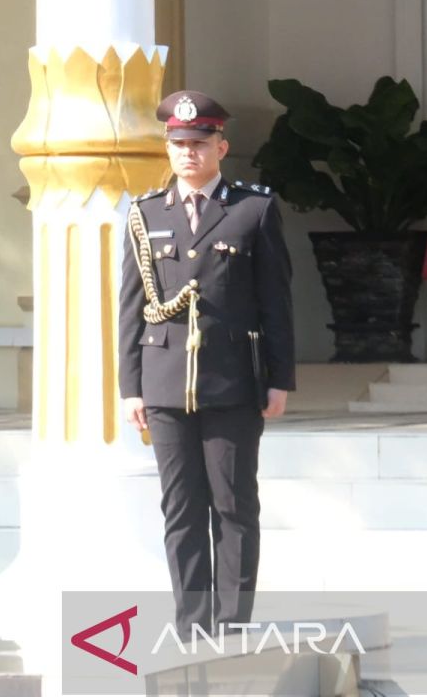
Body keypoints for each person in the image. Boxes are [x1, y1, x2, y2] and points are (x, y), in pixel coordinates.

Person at [118, 90, 295, 632]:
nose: (188, 154)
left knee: (234, 503)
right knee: (180, 507)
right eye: (178, 144)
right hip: (166, 382)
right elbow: (131, 306)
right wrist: (131, 386)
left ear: (222, 145)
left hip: (232, 380)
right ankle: (193, 622)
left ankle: (234, 621)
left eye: (199, 143)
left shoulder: (253, 209)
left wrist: (280, 378)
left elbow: (276, 301)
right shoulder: (146, 213)